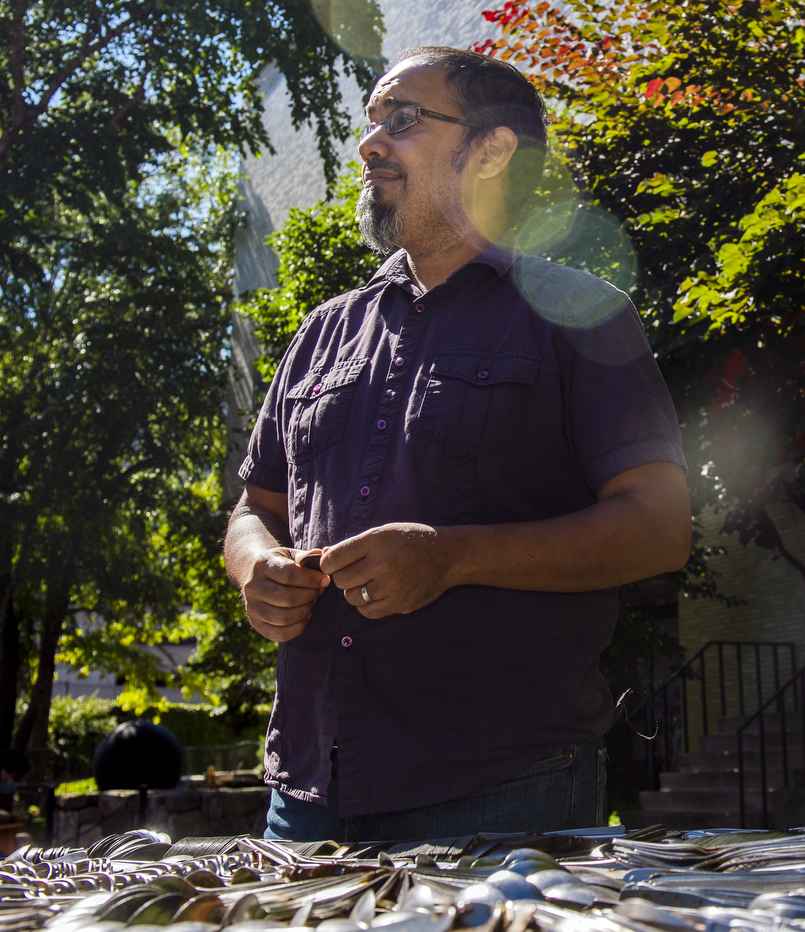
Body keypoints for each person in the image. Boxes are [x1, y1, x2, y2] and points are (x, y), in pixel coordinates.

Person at [225, 46, 692, 842]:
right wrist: (255, 568)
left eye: (402, 120)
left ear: (493, 150)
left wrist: (453, 557)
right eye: (371, 123)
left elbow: (659, 528)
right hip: (306, 787)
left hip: (502, 787)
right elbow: (253, 506)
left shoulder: (582, 314)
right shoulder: (321, 332)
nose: (370, 145)